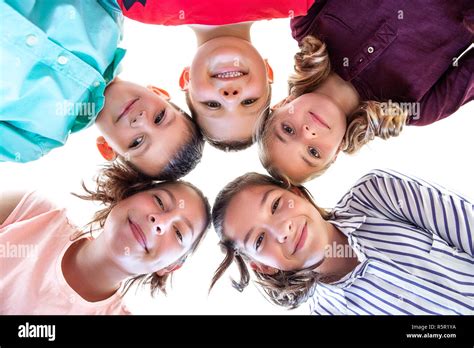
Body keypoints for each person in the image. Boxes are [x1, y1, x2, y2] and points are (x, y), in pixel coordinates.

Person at [256, 0, 473, 183]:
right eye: (313, 152)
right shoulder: (417, 108)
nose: (307, 132)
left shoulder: (305, 25)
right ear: (336, 153)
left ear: (281, 104)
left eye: (288, 129)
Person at [210, 169, 474, 314]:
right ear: (263, 266)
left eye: (276, 205)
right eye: (258, 240)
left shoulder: (376, 194)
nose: (282, 231)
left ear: (297, 192)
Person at [0, 0, 204, 180]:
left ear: (107, 148)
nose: (140, 120)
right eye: (159, 117)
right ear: (159, 92)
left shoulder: (33, 141)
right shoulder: (111, 13)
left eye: (137, 142)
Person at [0, 162, 211, 314]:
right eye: (160, 201)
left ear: (170, 266)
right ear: (130, 195)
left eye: (178, 233)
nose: (159, 222)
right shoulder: (30, 211)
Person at [118, 0, 316, 150]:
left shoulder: (140, 5)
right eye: (249, 102)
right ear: (268, 72)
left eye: (212, 105)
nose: (231, 97)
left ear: (186, 79)